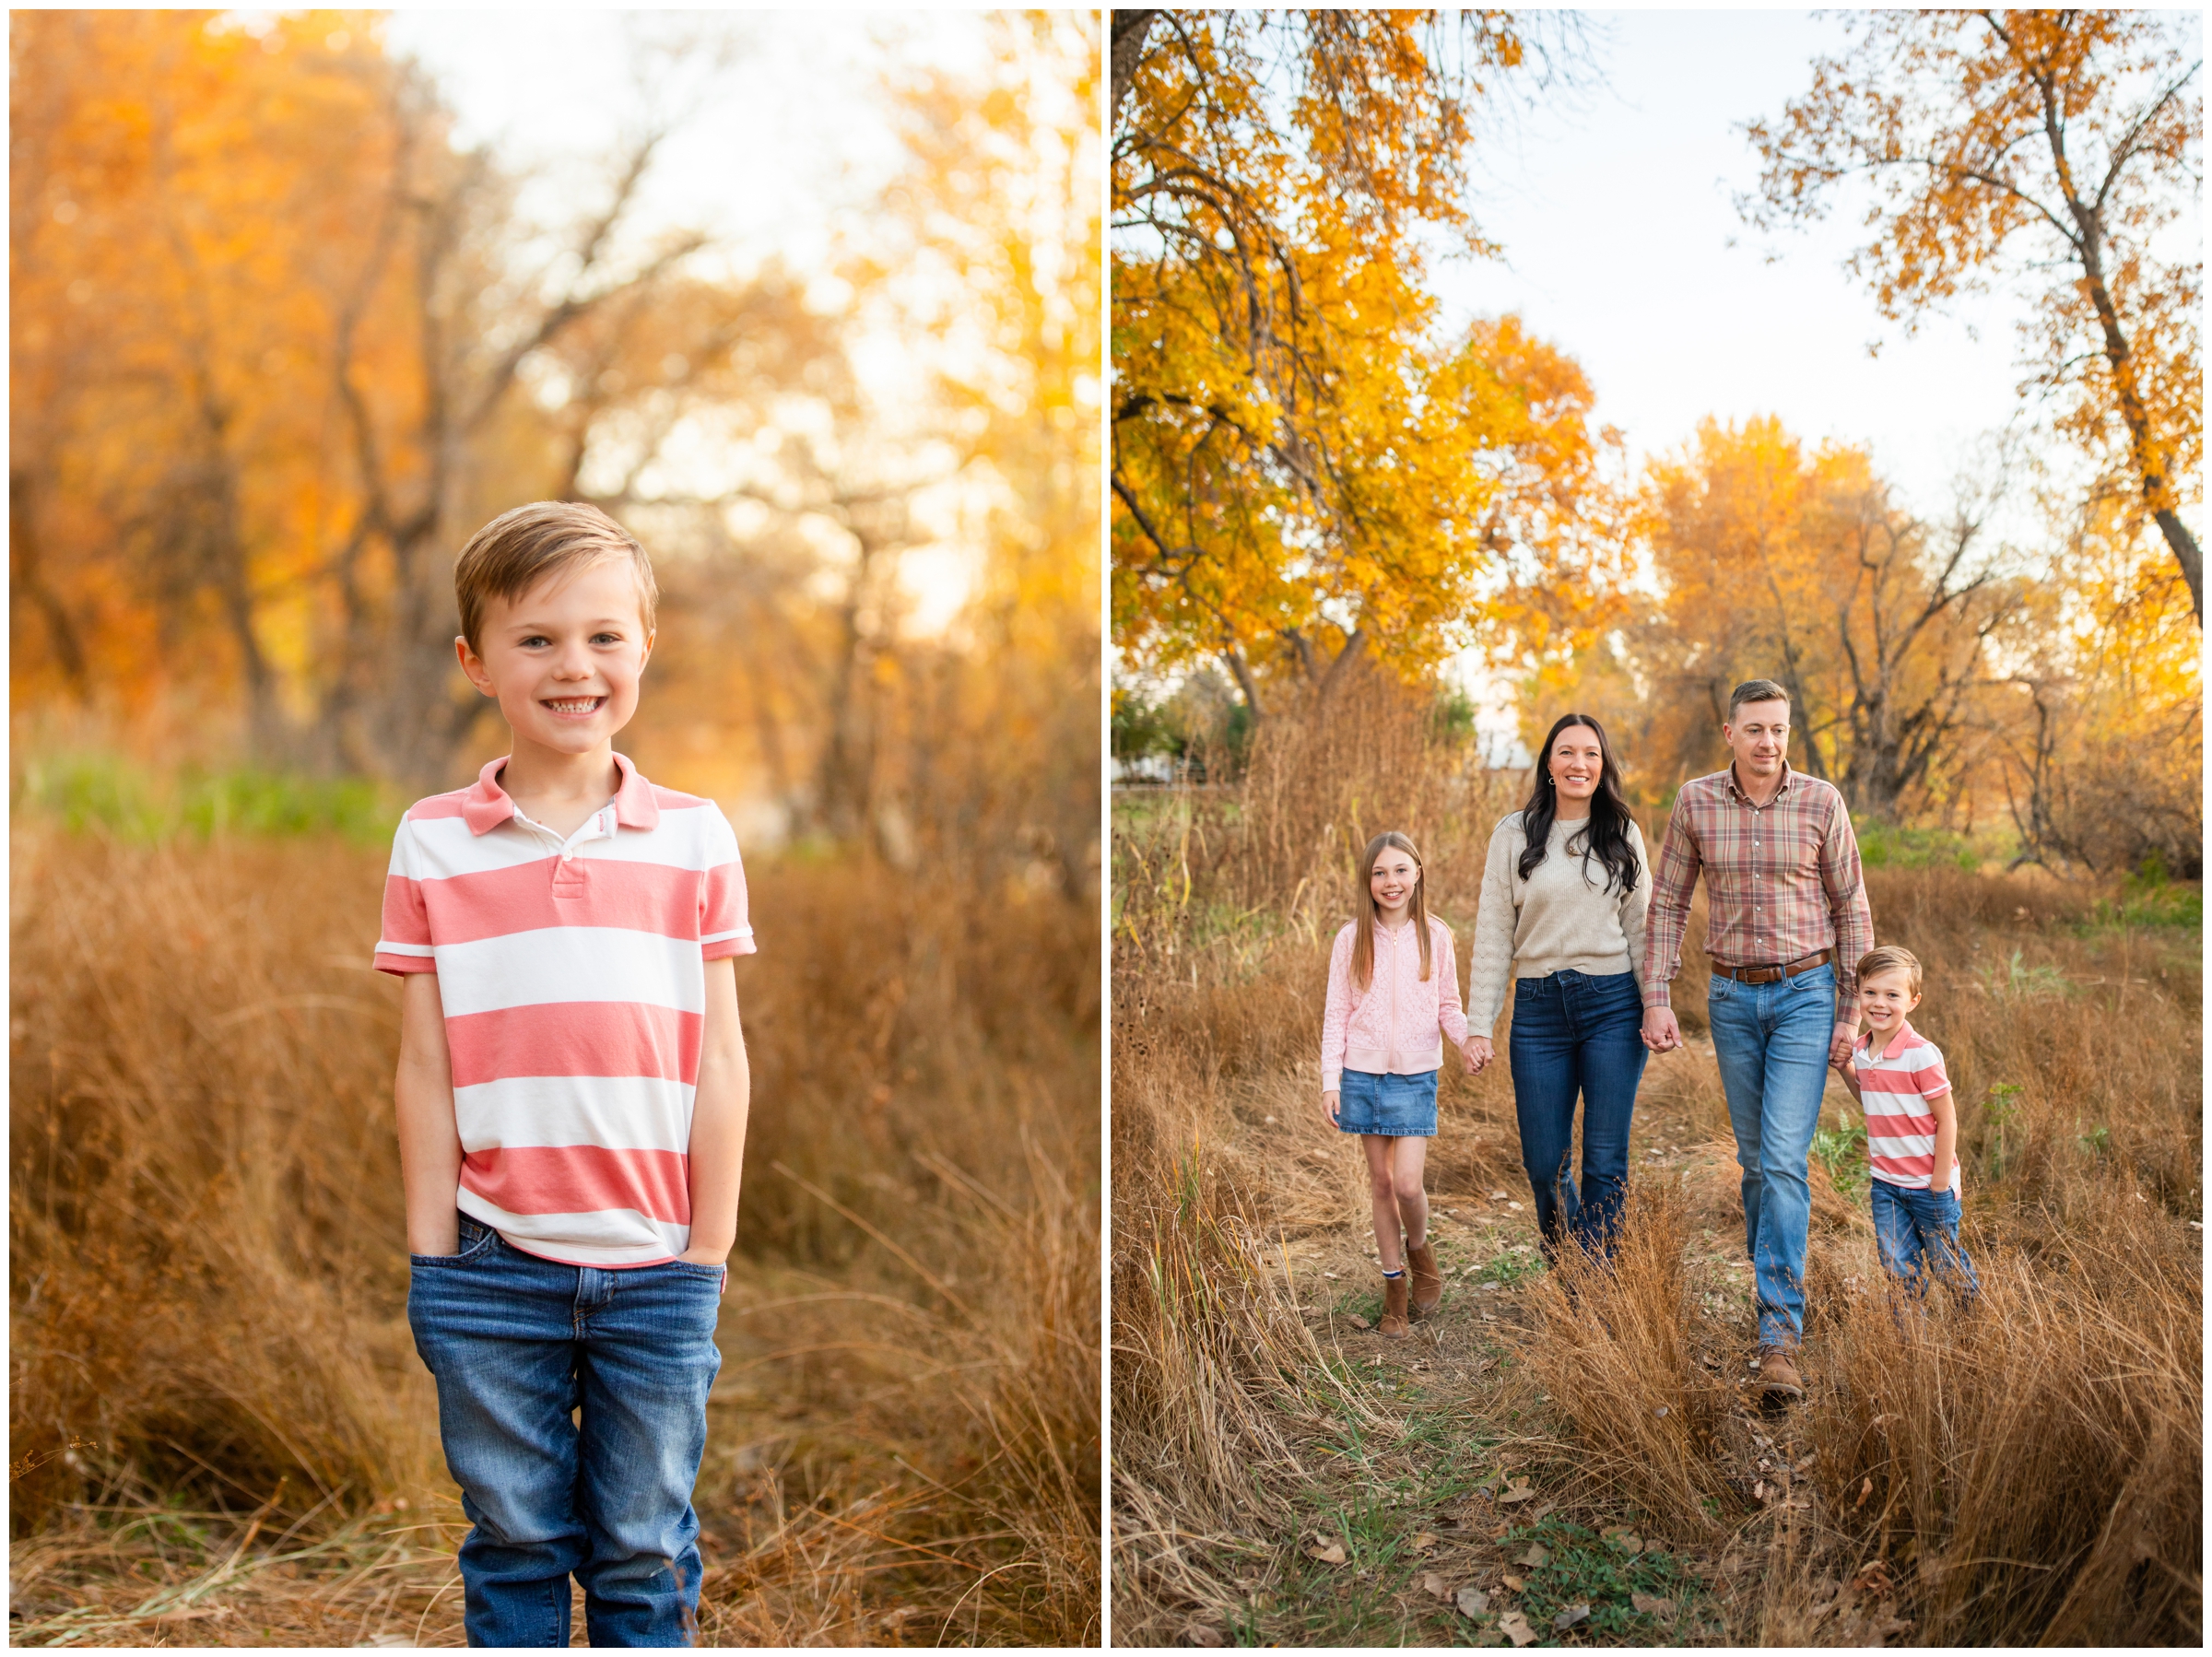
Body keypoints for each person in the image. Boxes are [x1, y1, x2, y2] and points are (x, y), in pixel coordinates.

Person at [376, 500, 754, 1647]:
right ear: (475, 662)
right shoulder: (435, 840)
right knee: (517, 1539)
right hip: (491, 1263)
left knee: (643, 1546)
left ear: (646, 645)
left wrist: (708, 1251)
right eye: (535, 639)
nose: (573, 666)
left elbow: (721, 1056)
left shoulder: (695, 837)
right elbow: (424, 1062)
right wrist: (432, 1256)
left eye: (602, 636)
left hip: (656, 1263)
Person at [1641, 679, 1872, 1404]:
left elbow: (1851, 906)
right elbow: (1671, 900)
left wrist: (1849, 1014)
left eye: (1779, 729)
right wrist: (1655, 995)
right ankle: (1774, 1291)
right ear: (1729, 732)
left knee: (1780, 1159)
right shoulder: (1696, 801)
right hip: (1733, 997)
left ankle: (1778, 1334)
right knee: (1754, 1164)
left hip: (1807, 992)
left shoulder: (1821, 802)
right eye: (1755, 730)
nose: (1769, 743)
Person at [1465, 714, 1651, 1261]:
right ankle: (1564, 1250)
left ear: (1603, 765)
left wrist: (1655, 1005)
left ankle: (1590, 1285)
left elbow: (1641, 929)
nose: (1579, 764)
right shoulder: (1513, 834)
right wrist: (1480, 1025)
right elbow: (1495, 934)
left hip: (1613, 1005)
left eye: (1591, 754)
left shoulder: (1622, 832)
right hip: (1539, 1011)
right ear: (1548, 763)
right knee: (1545, 1163)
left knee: (1605, 1159)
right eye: (1566, 752)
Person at [1320, 831, 1470, 1337]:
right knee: (1381, 1184)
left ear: (1418, 873)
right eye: (1381, 872)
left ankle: (1420, 1248)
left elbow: (1448, 1004)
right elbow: (1336, 1013)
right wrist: (1330, 1079)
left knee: (1407, 1184)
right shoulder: (1350, 938)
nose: (1391, 882)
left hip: (1415, 1074)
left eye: (1401, 870)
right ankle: (1394, 1292)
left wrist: (1468, 1039)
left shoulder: (1437, 935)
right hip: (1362, 1074)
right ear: (1368, 880)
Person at [1833, 946, 1978, 1302]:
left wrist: (1939, 1182)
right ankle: (1911, 1340)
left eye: (1892, 995)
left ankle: (1972, 1323)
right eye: (1870, 993)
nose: (1879, 1003)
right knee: (1898, 1267)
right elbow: (1870, 1099)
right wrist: (1845, 1069)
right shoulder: (1862, 1050)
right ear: (1859, 994)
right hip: (1886, 1184)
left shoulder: (1921, 1054)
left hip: (1929, 1185)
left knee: (1945, 1264)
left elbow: (1947, 1119)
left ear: (1913, 1001)